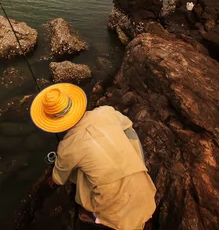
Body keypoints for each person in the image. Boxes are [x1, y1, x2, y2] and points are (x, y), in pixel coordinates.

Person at [30, 83, 157, 230]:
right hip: (145, 192)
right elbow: (127, 125)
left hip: (112, 209)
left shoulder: (67, 147)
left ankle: (97, 218)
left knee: (78, 173)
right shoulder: (106, 112)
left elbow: (58, 179)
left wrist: (50, 182)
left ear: (54, 122)